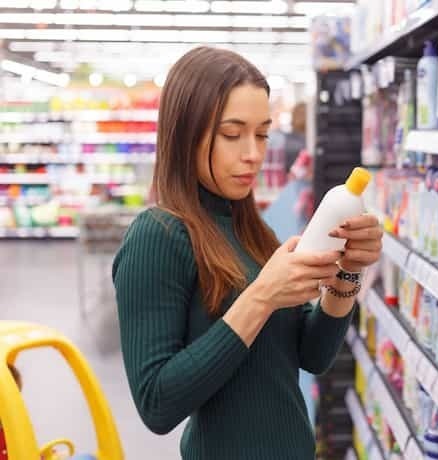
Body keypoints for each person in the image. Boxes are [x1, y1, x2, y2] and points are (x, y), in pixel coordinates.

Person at [112, 46, 382, 459]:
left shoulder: (251, 230)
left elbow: (312, 355)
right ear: (186, 132)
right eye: (232, 134)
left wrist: (347, 271)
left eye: (261, 134)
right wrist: (261, 296)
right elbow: (156, 403)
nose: (253, 154)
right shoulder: (158, 236)